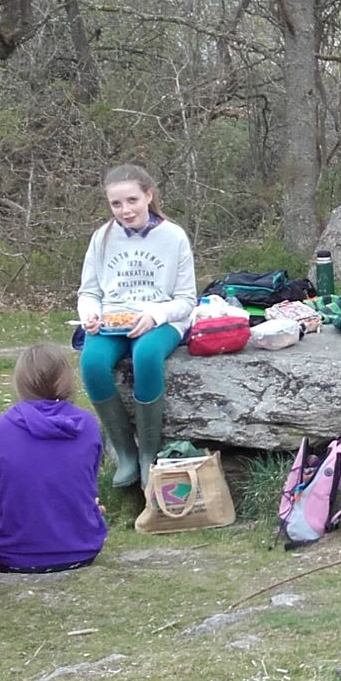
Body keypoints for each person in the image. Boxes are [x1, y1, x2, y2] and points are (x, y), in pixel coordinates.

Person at [77, 163, 197, 490]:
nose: (125, 210)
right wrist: (90, 313)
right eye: (116, 204)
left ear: (148, 195)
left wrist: (155, 316)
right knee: (91, 362)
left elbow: (187, 299)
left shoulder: (173, 237)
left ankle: (148, 453)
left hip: (164, 317)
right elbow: (89, 291)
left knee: (145, 356)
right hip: (114, 318)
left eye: (132, 200)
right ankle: (125, 452)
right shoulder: (102, 238)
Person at [0, 345, 108, 573]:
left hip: (10, 554)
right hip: (81, 550)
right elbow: (87, 485)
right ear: (66, 380)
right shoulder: (88, 426)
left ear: (20, 382)